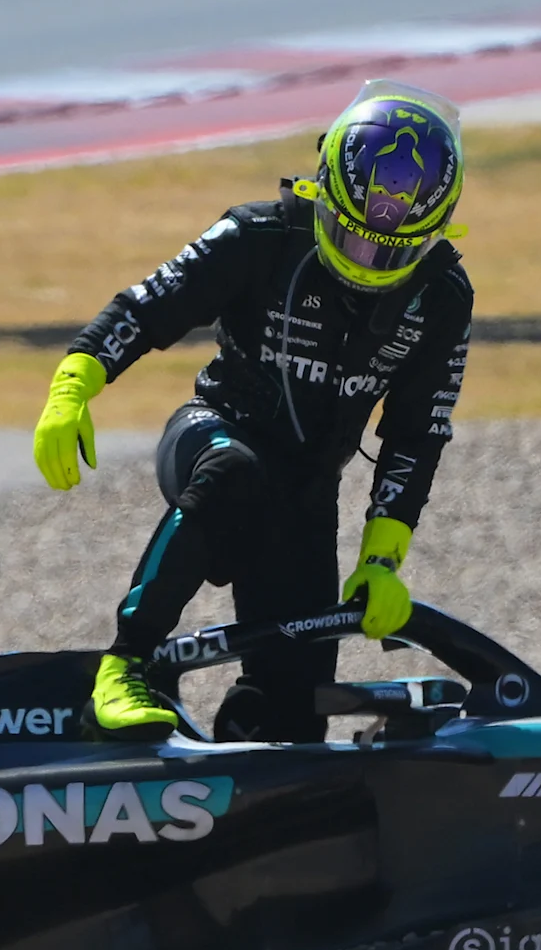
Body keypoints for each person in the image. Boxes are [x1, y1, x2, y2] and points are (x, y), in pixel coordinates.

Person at [31, 80, 474, 740]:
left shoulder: (442, 297)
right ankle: (122, 666)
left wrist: (382, 558)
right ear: (323, 191)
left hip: (306, 494)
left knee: (293, 715)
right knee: (237, 472)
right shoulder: (255, 236)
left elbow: (416, 435)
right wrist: (73, 385)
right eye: (352, 239)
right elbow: (146, 308)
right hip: (212, 436)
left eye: (390, 251)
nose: (365, 262)